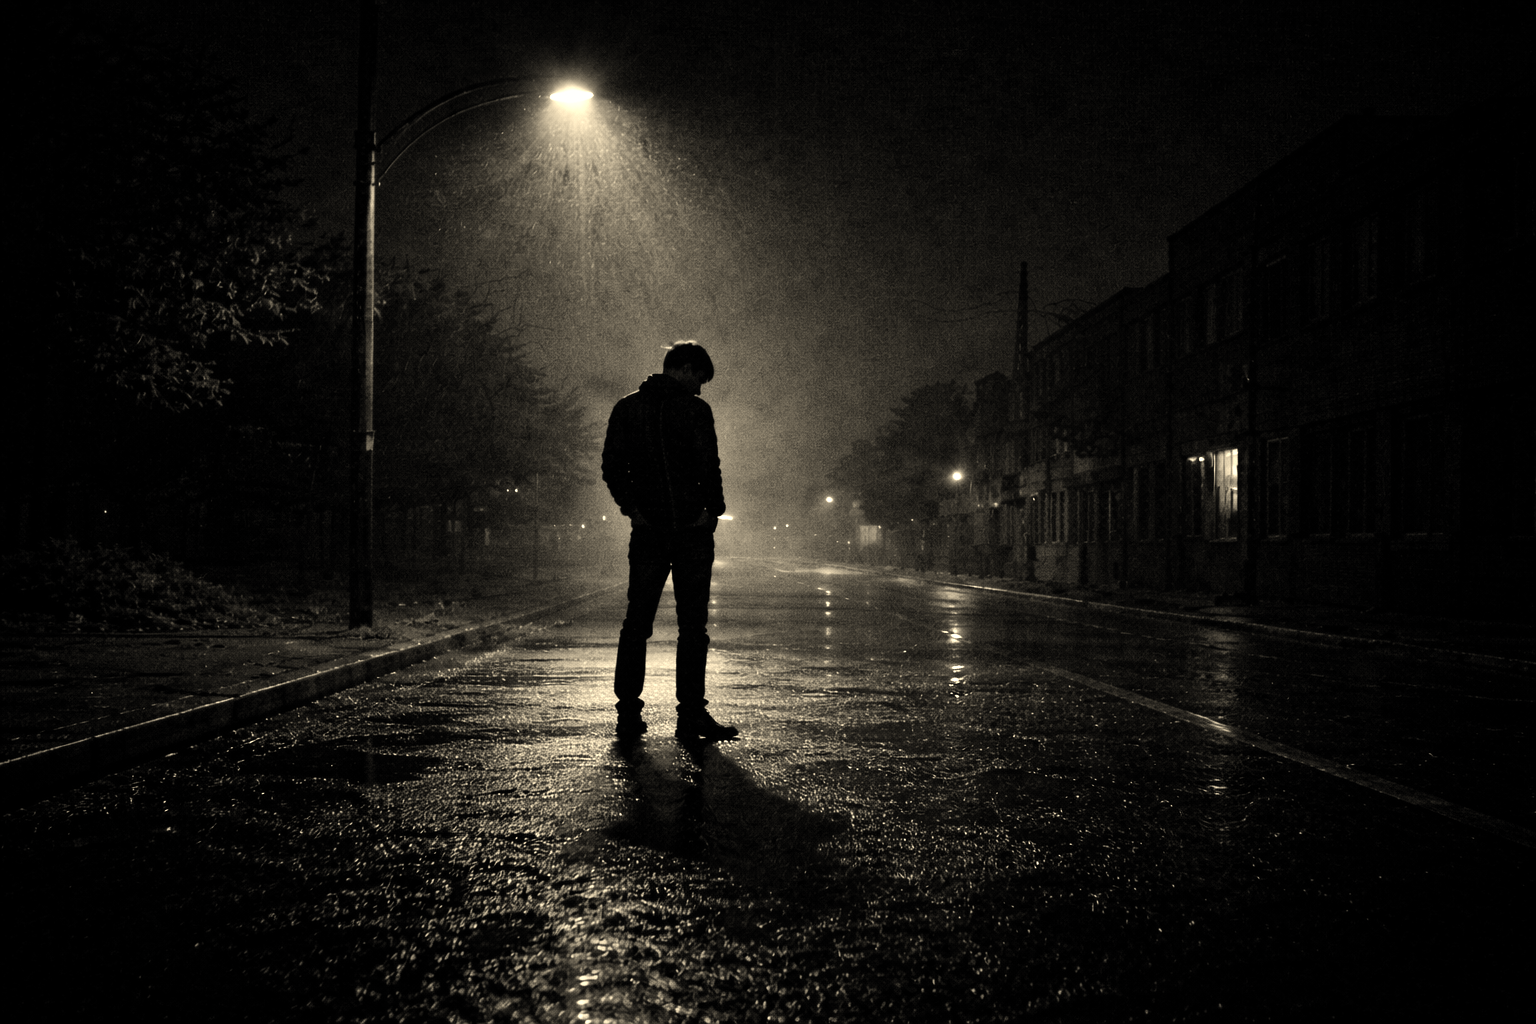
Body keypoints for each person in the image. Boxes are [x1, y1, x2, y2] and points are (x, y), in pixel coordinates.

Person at [601, 341, 738, 742]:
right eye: (699, 377)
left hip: (648, 532)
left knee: (636, 624)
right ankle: (691, 714)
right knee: (692, 627)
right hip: (691, 533)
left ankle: (628, 714)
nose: (699, 387)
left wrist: (632, 508)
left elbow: (612, 466)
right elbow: (708, 465)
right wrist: (712, 511)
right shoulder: (695, 412)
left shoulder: (627, 408)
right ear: (684, 369)